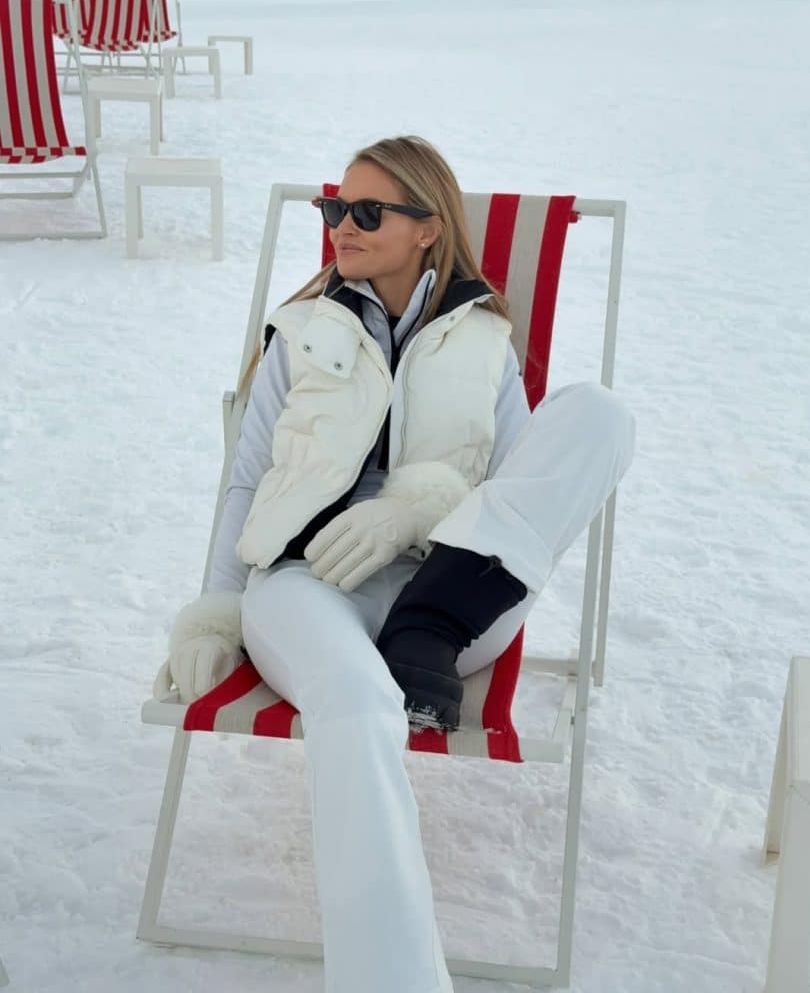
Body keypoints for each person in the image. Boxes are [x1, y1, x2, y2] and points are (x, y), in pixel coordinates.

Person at [154, 135, 636, 993]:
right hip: (309, 588)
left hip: (450, 601)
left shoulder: (486, 339)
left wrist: (416, 509)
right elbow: (247, 477)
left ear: (427, 228)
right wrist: (217, 609)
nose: (342, 226)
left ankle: (429, 621)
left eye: (367, 212)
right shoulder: (299, 333)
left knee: (599, 413)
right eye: (335, 208)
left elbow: (517, 489)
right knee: (357, 701)